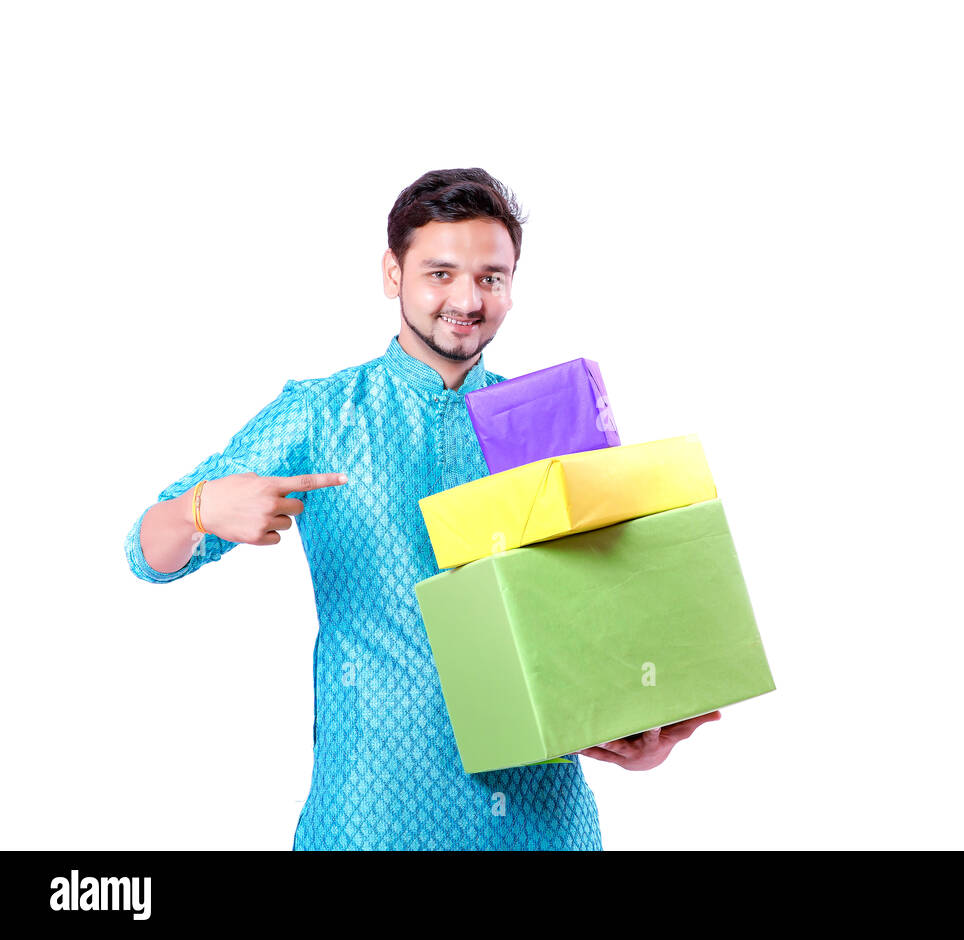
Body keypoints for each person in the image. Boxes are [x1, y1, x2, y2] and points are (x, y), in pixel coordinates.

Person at [123, 168, 719, 850]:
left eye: (491, 277)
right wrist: (199, 509)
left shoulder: (551, 419)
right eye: (440, 272)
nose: (466, 299)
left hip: (539, 819)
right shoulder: (320, 416)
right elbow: (145, 555)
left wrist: (641, 733)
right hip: (370, 813)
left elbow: (603, 619)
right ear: (392, 273)